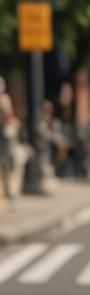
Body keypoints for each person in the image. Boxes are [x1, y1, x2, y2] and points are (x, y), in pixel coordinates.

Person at [0, 76, 19, 206]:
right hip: (5, 136)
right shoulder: (4, 99)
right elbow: (9, 116)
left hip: (5, 136)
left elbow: (9, 116)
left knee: (6, 165)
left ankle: (8, 194)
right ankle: (8, 194)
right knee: (7, 165)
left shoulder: (4, 100)